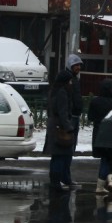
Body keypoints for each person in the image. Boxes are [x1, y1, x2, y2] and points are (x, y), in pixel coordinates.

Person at [43, 64, 78, 192]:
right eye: (69, 81)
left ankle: (56, 181)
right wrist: (69, 127)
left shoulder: (54, 90)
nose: (71, 83)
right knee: (60, 155)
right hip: (60, 128)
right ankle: (56, 182)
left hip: (53, 126)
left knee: (56, 156)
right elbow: (63, 113)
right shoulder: (63, 92)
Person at [87, 78, 112, 195]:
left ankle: (102, 184)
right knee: (110, 159)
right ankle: (108, 182)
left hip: (99, 133)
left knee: (104, 159)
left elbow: (90, 117)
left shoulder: (95, 102)